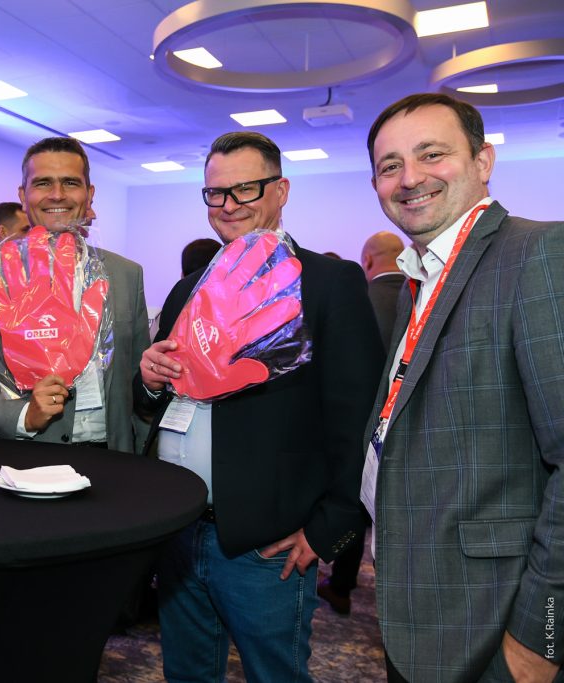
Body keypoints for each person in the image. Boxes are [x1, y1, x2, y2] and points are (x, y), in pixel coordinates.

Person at [137, 131, 384, 682]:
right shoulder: (187, 289)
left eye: (245, 189)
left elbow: (357, 417)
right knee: (186, 673)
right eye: (215, 193)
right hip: (178, 528)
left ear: (281, 190)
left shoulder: (327, 283)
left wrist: (330, 528)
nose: (228, 206)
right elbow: (155, 401)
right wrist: (150, 380)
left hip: (267, 543)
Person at [364, 92, 564, 683]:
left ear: (483, 161)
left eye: (432, 154)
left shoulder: (537, 253)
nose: (410, 178)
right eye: (391, 165)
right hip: (425, 603)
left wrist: (540, 643)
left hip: (498, 622)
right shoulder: (422, 277)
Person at [0, 137, 150, 452]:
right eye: (43, 183)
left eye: (70, 182)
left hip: (113, 457)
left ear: (89, 193)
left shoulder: (126, 274)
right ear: (23, 195)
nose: (57, 194)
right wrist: (23, 416)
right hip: (22, 454)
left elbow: (139, 381)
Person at [317, 230, 407, 616]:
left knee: (353, 502)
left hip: (361, 426)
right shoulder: (420, 297)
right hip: (409, 430)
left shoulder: (361, 299)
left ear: (367, 260)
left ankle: (341, 584)